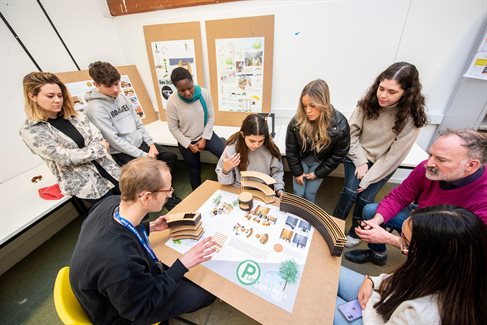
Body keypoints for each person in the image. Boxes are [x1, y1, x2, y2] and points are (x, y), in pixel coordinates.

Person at [70, 157, 216, 324]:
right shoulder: (120, 260)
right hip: (124, 314)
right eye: (167, 190)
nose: (171, 193)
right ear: (147, 197)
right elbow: (141, 308)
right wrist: (182, 265)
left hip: (116, 290)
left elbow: (121, 230)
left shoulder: (108, 204)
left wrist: (149, 227)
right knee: (206, 293)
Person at [345, 129, 487, 266]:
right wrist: (376, 221)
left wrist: (391, 239)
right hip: (421, 215)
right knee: (371, 211)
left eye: (441, 159)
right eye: (430, 154)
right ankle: (377, 254)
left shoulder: (483, 200)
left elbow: (455, 251)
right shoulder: (426, 167)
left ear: (471, 165)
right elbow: (399, 197)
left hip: (447, 240)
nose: (429, 163)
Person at [335, 205, 487, 325]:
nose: (399, 244)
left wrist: (373, 297)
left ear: (430, 257)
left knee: (322, 298)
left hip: (377, 314)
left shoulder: (425, 315)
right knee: (332, 272)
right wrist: (372, 281)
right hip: (385, 300)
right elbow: (399, 277)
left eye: (405, 242)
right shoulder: (451, 270)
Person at [333, 62, 428, 248]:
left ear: (407, 93)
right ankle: (334, 225)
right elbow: (350, 135)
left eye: (392, 92)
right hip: (358, 153)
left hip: (383, 162)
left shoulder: (412, 118)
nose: (383, 95)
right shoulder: (368, 101)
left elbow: (393, 157)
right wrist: (360, 161)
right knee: (350, 191)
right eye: (381, 88)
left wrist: (369, 177)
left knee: (366, 199)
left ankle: (356, 231)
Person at [84, 61, 181, 210]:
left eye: (117, 83)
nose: (116, 89)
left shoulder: (123, 98)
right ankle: (167, 201)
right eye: (110, 86)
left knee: (169, 157)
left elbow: (138, 123)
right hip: (123, 152)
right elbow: (114, 140)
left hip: (140, 144)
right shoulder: (95, 108)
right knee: (150, 174)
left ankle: (164, 193)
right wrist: (143, 155)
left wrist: (151, 145)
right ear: (96, 85)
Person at [19, 72, 120, 204]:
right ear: (32, 96)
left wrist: (84, 152)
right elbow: (64, 157)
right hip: (87, 183)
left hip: (110, 169)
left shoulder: (76, 115)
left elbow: (98, 136)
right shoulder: (31, 130)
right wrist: (99, 149)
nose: (57, 100)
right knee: (114, 216)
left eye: (60, 95)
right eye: (50, 96)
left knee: (135, 207)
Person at [285, 79, 350, 203]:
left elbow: (338, 155)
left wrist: (317, 173)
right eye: (304, 106)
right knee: (298, 193)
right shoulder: (296, 121)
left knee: (310, 194)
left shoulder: (340, 124)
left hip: (321, 163)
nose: (307, 111)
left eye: (312, 106)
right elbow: (291, 150)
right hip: (301, 160)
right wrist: (297, 172)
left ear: (323, 103)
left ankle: (308, 219)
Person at [166, 67, 224, 190]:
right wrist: (188, 145)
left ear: (193, 82)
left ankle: (227, 184)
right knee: (194, 170)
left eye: (189, 88)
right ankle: (196, 197)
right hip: (187, 141)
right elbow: (173, 128)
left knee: (225, 154)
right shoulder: (172, 102)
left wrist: (204, 139)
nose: (187, 93)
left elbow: (210, 117)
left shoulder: (204, 93)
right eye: (182, 90)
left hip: (205, 135)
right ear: (176, 88)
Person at [215, 114, 285, 196]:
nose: (256, 145)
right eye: (252, 141)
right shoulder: (232, 148)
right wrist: (225, 170)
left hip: (263, 191)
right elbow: (224, 182)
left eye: (261, 141)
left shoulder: (270, 147)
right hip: (239, 190)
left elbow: (277, 172)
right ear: (242, 134)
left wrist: (279, 189)